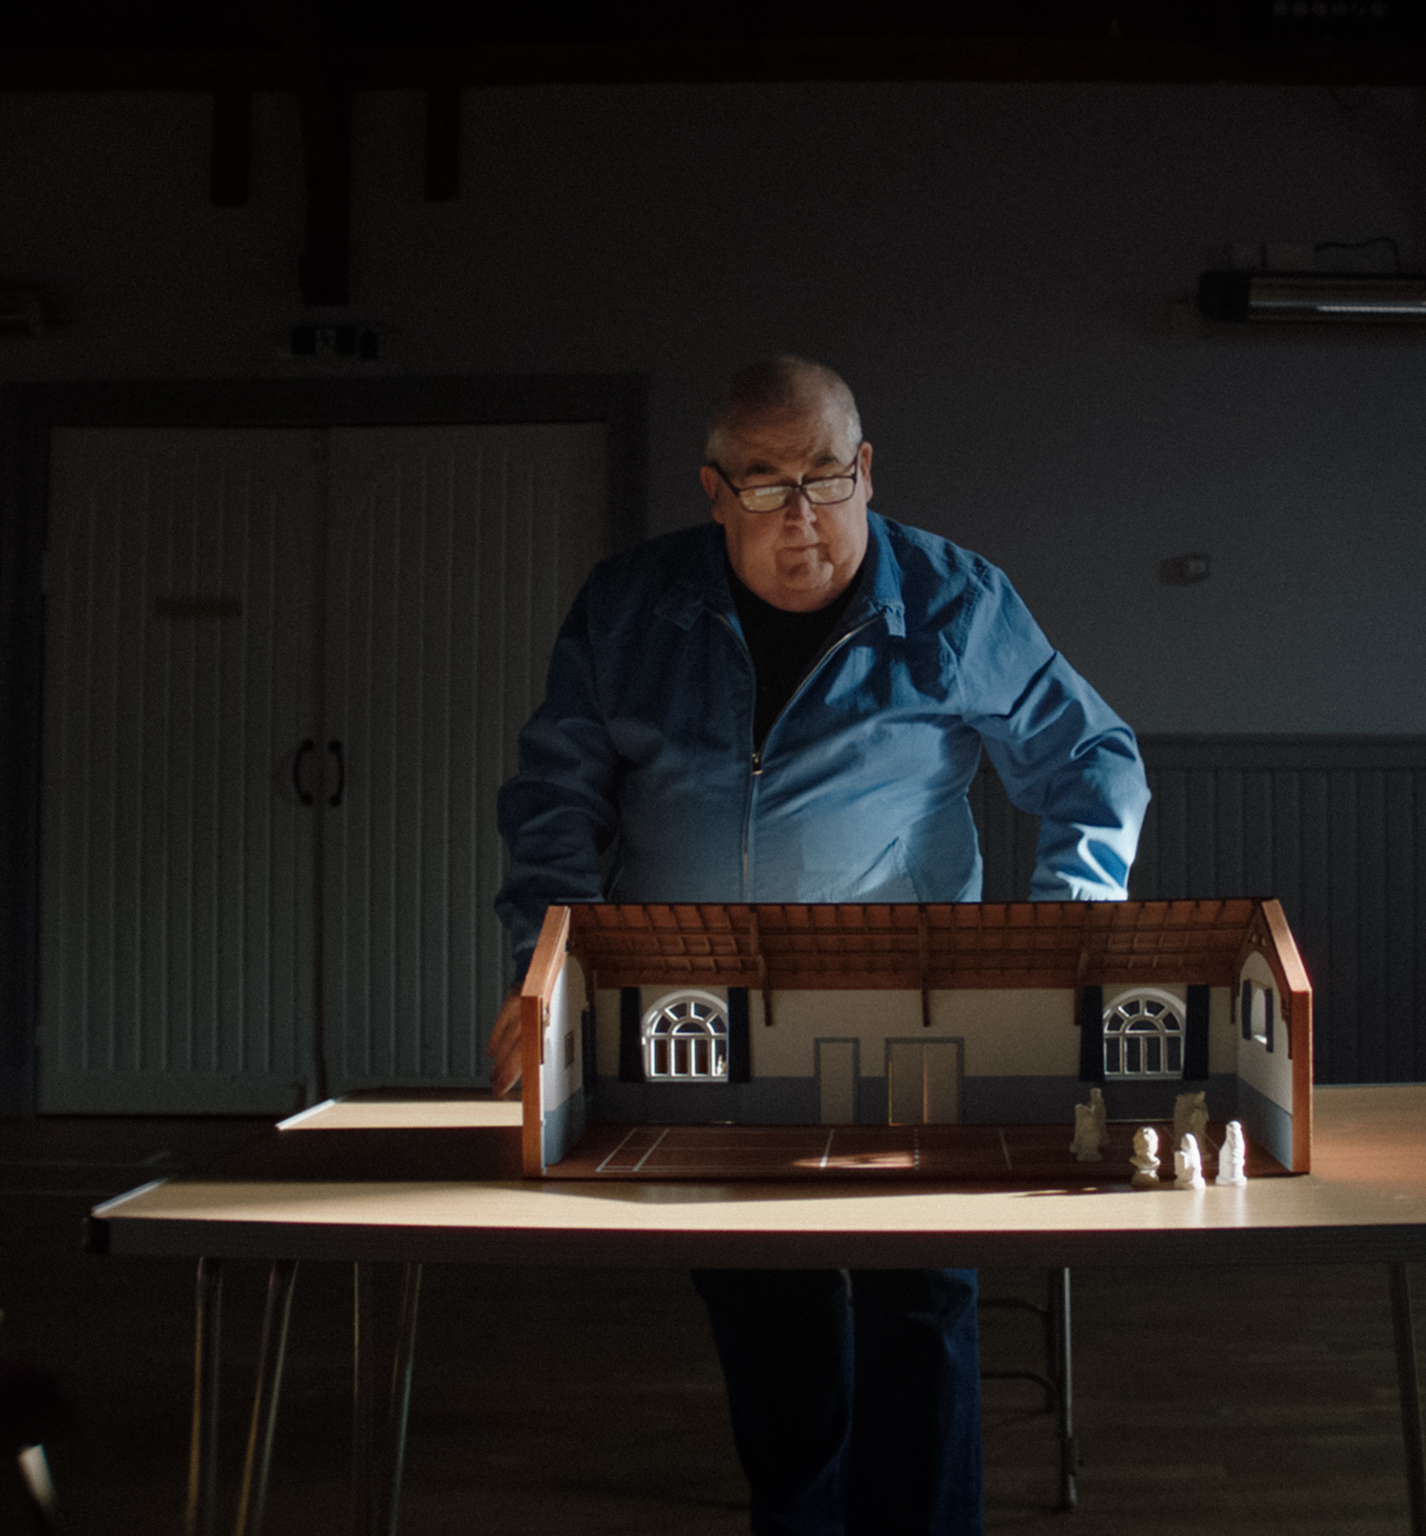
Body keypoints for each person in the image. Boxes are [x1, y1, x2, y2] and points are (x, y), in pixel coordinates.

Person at [488, 356, 1148, 1536]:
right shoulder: (629, 607)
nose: (805, 515)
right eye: (766, 485)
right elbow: (556, 806)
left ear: (867, 467)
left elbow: (1091, 762)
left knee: (915, 1300)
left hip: (912, 1019)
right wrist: (542, 976)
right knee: (760, 1298)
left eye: (829, 477)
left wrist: (1067, 937)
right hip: (701, 1022)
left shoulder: (955, 601)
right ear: (711, 489)